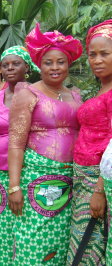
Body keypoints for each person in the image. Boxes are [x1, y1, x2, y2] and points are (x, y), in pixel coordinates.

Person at [8, 23, 82, 264]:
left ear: (68, 64)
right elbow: (16, 143)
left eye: (60, 61)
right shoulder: (28, 94)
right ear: (39, 65)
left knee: (62, 238)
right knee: (34, 236)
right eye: (48, 62)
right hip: (37, 178)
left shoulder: (75, 95)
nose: (54, 67)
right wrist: (14, 187)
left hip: (71, 178)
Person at [0, 46, 40, 264]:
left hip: (27, 172)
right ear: (1, 70)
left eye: (16, 63)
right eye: (6, 65)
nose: (11, 67)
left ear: (27, 67)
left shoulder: (37, 95)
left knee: (24, 227)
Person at [67, 19, 112, 265]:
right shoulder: (101, 90)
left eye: (104, 54)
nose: (96, 60)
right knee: (84, 236)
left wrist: (100, 191)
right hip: (84, 176)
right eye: (92, 54)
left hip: (100, 179)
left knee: (94, 238)